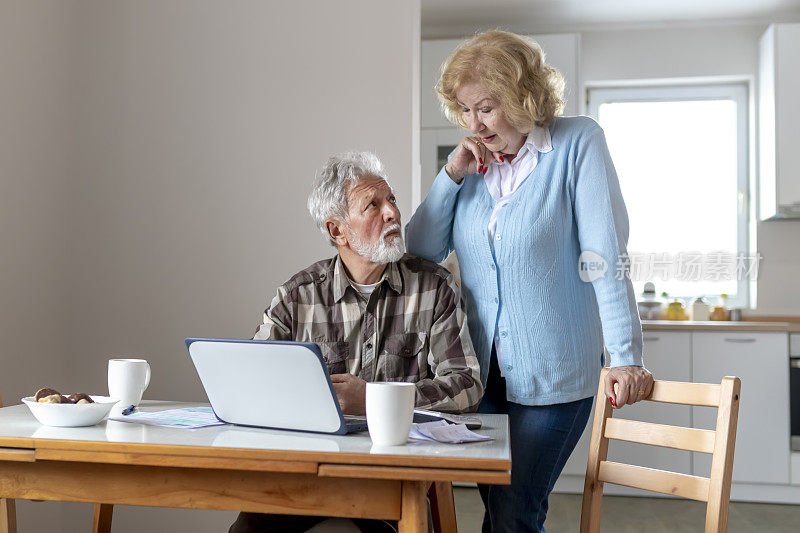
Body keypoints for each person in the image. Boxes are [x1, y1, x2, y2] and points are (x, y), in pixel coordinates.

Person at [405, 30, 654, 532]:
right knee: (501, 512)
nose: (474, 123)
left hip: (555, 376)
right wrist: (450, 174)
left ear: (523, 97)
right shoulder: (471, 168)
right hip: (479, 378)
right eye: (465, 109)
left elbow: (604, 256)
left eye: (487, 107)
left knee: (517, 509)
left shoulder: (577, 142)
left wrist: (627, 356)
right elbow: (421, 250)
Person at [229, 151, 483, 533]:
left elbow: (467, 385)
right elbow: (253, 383)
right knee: (247, 530)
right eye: (373, 205)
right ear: (337, 231)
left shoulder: (434, 288)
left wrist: (373, 399)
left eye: (391, 199)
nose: (393, 212)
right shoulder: (296, 297)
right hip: (307, 476)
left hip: (393, 482)